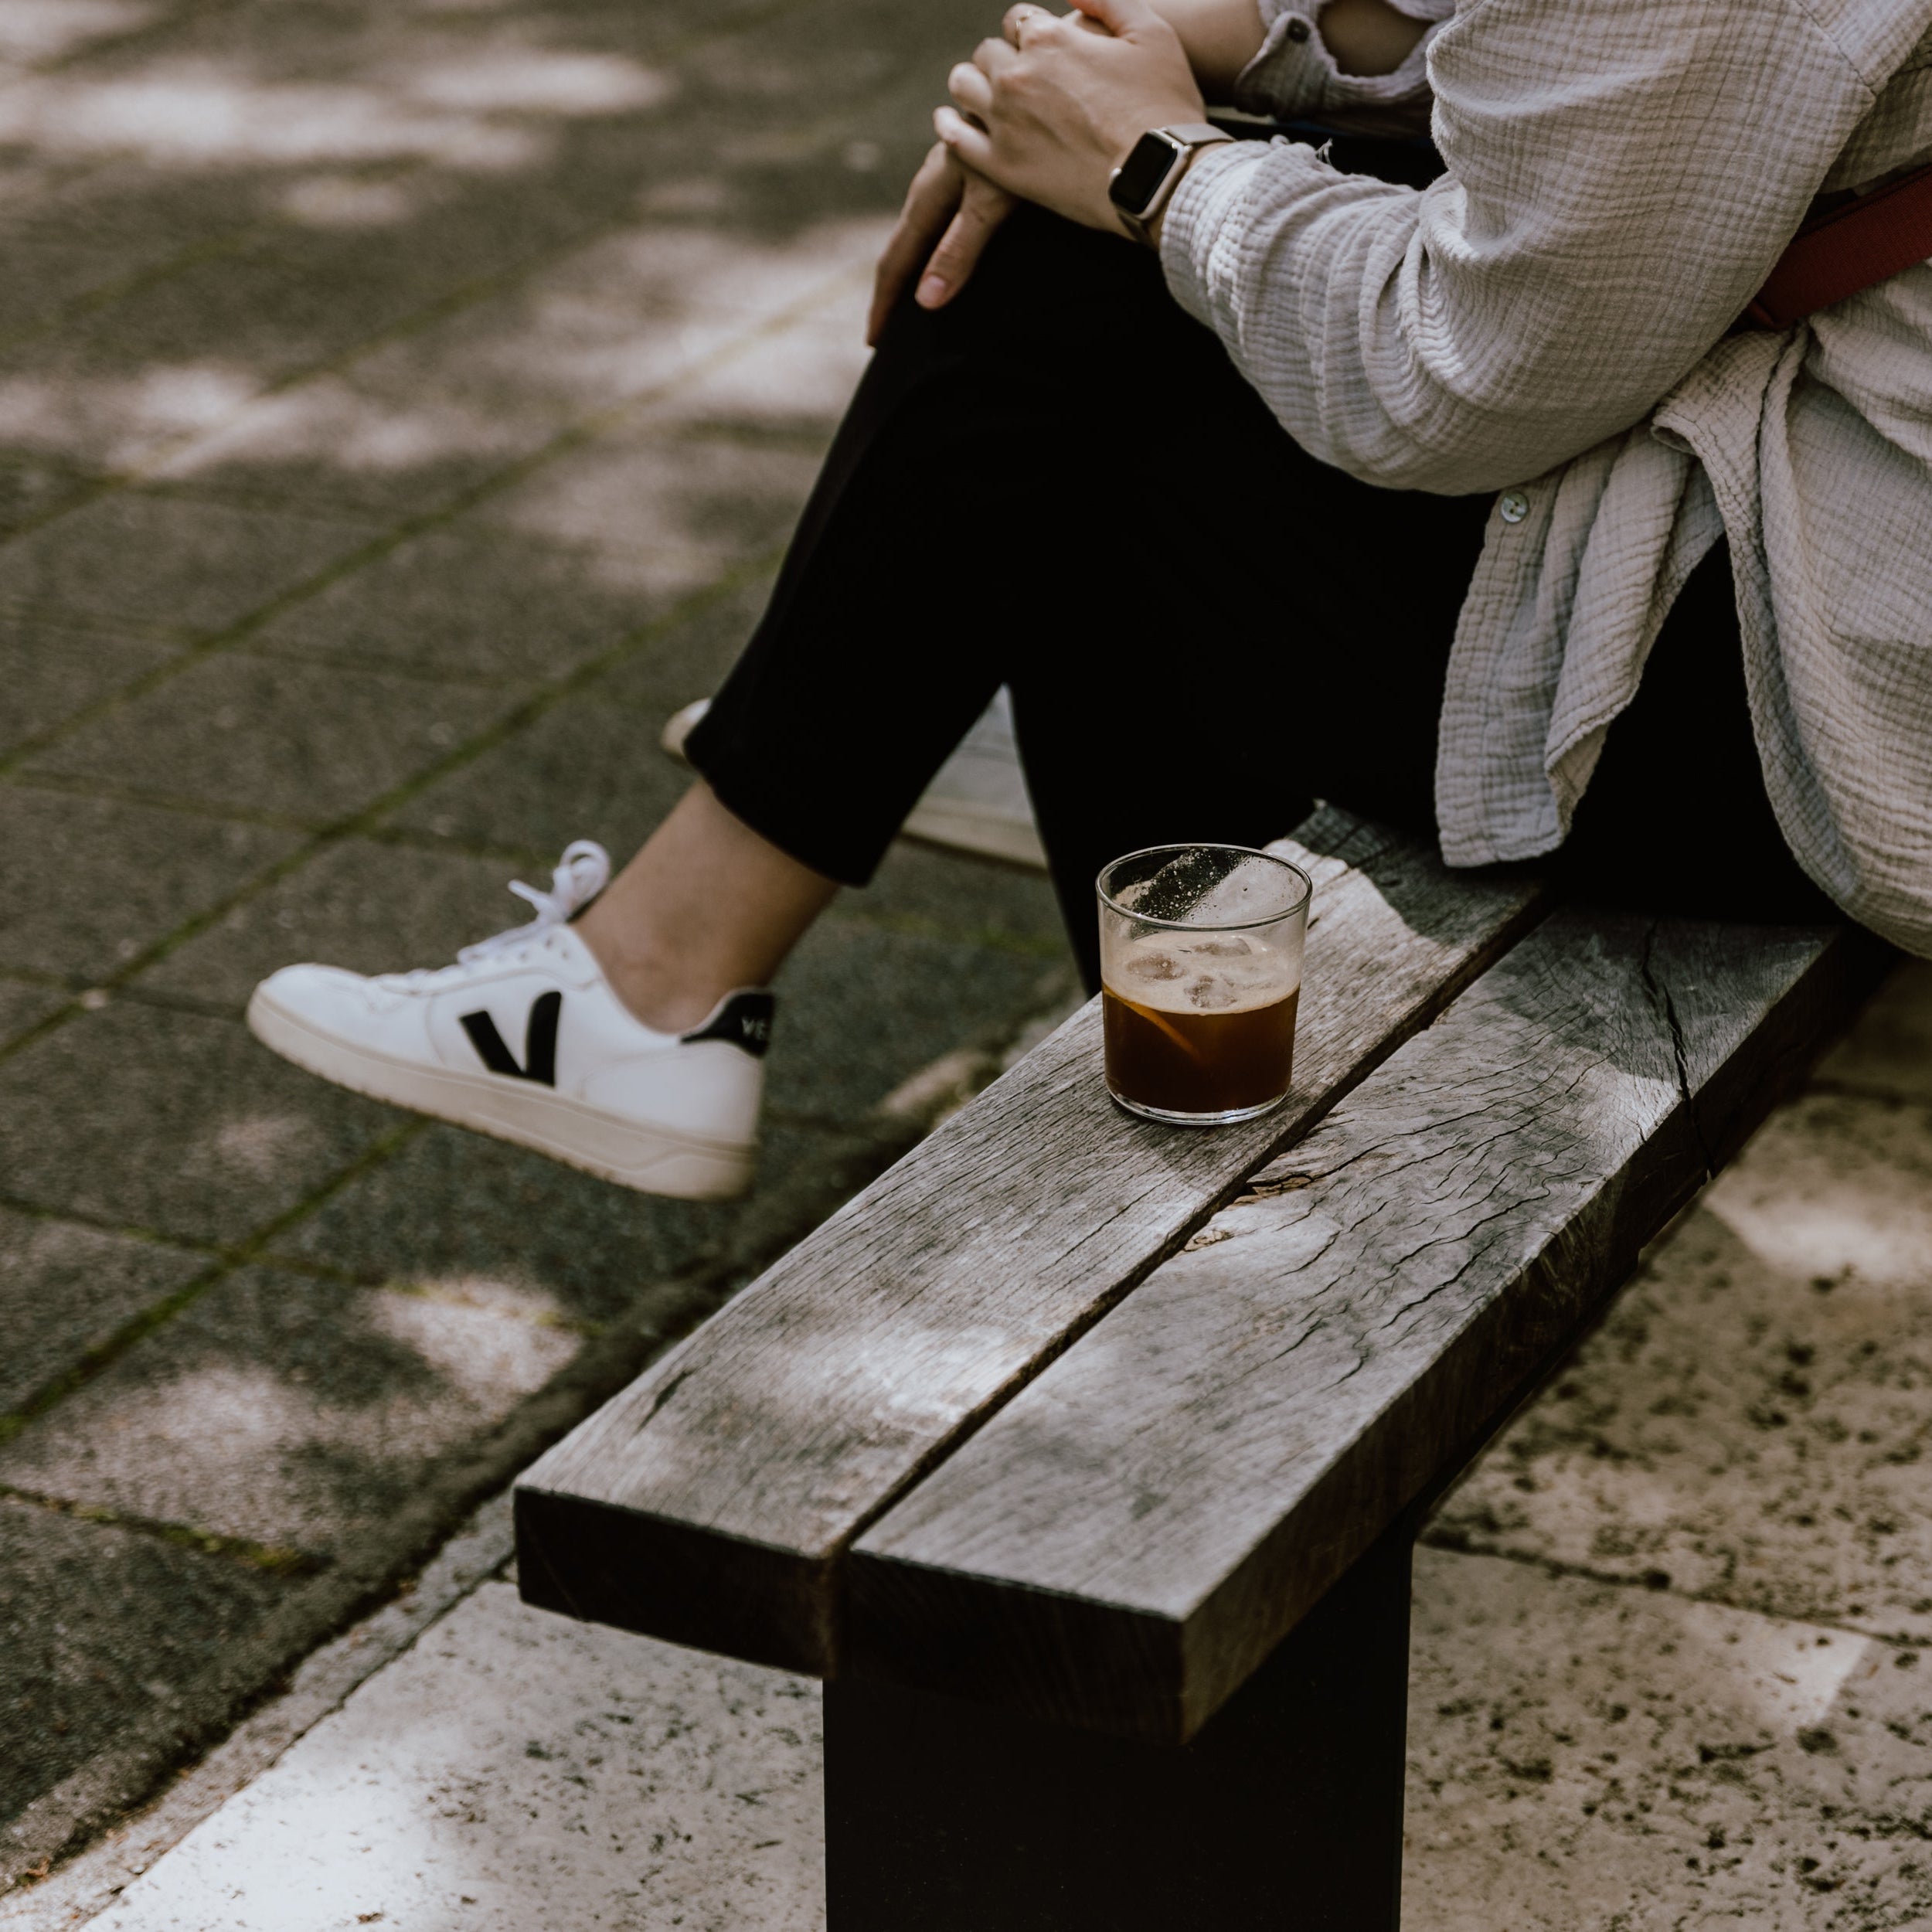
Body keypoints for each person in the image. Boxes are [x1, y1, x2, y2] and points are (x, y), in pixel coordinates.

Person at [248, 0, 1932, 1200]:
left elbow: (1460, 378)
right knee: (1092, 314)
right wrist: (1175, 45)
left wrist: (1145, 174)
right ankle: (1146, 1100)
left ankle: (700, 975)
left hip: (1840, 703)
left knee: (1077, 354)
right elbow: (1550, 60)